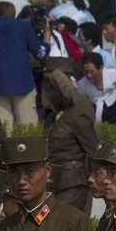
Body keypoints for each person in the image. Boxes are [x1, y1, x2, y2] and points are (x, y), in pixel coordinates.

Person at [0, 1, 50, 130]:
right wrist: (47, 36)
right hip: (23, 84)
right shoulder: (24, 27)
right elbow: (41, 52)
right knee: (27, 129)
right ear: (13, 15)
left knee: (4, 129)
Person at [40, 66, 98, 213]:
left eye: (44, 92)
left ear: (52, 95)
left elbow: (93, 150)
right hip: (54, 183)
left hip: (74, 184)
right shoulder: (50, 119)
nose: (42, 96)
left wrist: (93, 178)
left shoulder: (76, 117)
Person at [75, 52, 116, 124]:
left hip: (115, 114)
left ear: (101, 68)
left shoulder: (113, 75)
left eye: (92, 71)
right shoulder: (82, 84)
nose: (89, 75)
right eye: (86, 72)